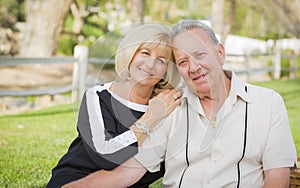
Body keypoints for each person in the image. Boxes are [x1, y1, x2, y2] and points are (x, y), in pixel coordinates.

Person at [62, 20, 297, 188]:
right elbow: (126, 174)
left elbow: (277, 178)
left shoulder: (268, 103)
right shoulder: (170, 107)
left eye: (200, 55)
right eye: (183, 61)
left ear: (220, 53)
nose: (193, 67)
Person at [46, 23, 182, 188]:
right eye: (145, 53)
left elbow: (157, 166)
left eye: (161, 60)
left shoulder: (167, 107)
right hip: (76, 179)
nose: (150, 64)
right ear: (130, 54)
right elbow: (104, 155)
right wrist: (149, 119)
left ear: (167, 70)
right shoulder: (97, 96)